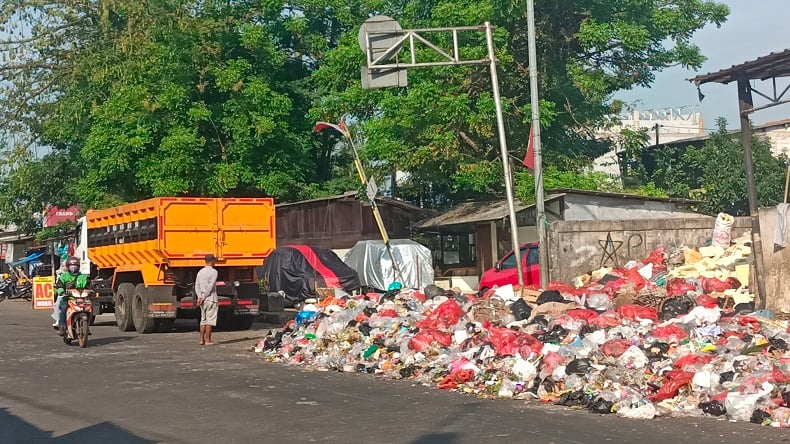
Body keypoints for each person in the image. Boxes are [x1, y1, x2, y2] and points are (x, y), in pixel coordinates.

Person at [51, 257, 90, 334]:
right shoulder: (64, 276)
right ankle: (62, 326)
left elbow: (89, 286)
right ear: (68, 266)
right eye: (71, 265)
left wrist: (91, 291)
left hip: (81, 299)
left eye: (75, 265)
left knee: (89, 308)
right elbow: (59, 286)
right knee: (63, 307)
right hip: (67, 298)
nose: (73, 267)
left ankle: (86, 327)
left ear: (78, 266)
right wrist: (62, 292)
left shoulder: (83, 277)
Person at [194, 254, 218, 345]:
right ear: (212, 261)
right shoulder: (214, 272)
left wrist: (199, 297)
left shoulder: (200, 272)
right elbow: (210, 286)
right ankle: (208, 340)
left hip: (202, 299)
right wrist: (204, 297)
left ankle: (201, 340)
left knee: (203, 320)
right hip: (210, 298)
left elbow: (197, 285)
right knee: (209, 320)